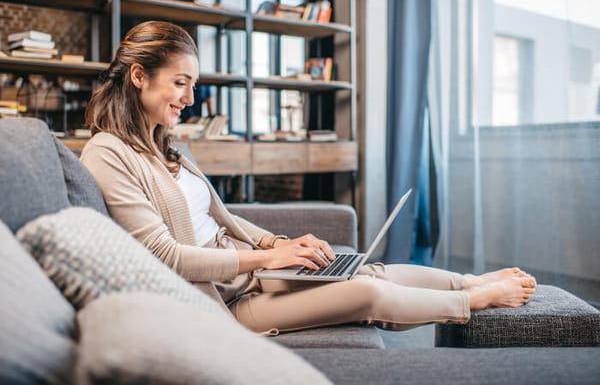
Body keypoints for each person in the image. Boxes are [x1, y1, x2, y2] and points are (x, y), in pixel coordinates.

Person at [81, 21, 537, 334]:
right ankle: (473, 303)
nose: (190, 97)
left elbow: (224, 221)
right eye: (181, 82)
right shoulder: (107, 153)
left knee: (359, 266)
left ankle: (467, 281)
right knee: (365, 292)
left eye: (193, 84)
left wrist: (275, 245)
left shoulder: (167, 147)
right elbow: (167, 257)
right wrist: (265, 262)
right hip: (220, 302)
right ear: (139, 76)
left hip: (243, 272)